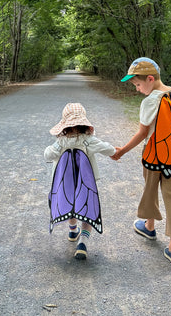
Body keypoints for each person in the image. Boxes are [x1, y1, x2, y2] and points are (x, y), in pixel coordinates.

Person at [111, 57, 171, 266]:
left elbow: (142, 133)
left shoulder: (149, 101)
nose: (138, 89)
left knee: (150, 188)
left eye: (138, 85)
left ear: (150, 79)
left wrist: (122, 151)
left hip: (153, 153)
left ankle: (149, 226)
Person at [44, 102, 115, 260]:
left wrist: (51, 149)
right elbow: (109, 149)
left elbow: (48, 155)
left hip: (66, 183)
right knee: (86, 208)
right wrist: (116, 151)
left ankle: (72, 230)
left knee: (71, 204)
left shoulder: (61, 142)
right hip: (86, 183)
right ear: (84, 124)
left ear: (65, 125)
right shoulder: (89, 140)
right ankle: (82, 242)